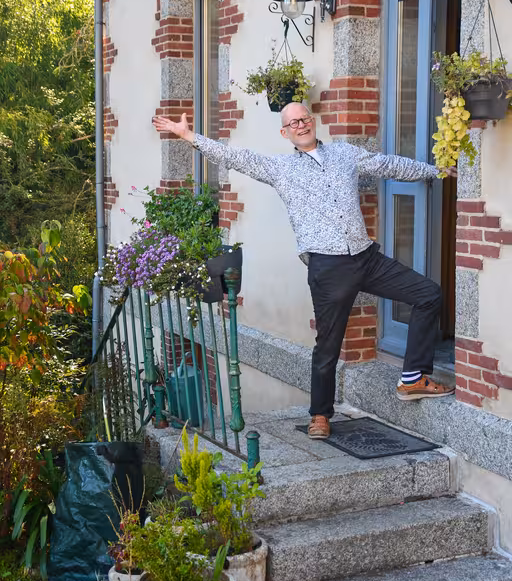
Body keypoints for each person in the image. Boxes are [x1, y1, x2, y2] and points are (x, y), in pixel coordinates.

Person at [152, 104, 456, 440]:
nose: (301, 124)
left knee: (428, 294)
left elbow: (388, 164)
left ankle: (413, 377)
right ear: (285, 132)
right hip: (328, 267)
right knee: (328, 346)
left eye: (305, 118)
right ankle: (320, 415)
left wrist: (435, 171)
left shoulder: (344, 153)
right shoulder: (279, 168)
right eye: (293, 122)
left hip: (365, 257)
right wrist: (189, 136)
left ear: (313, 122)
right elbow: (233, 156)